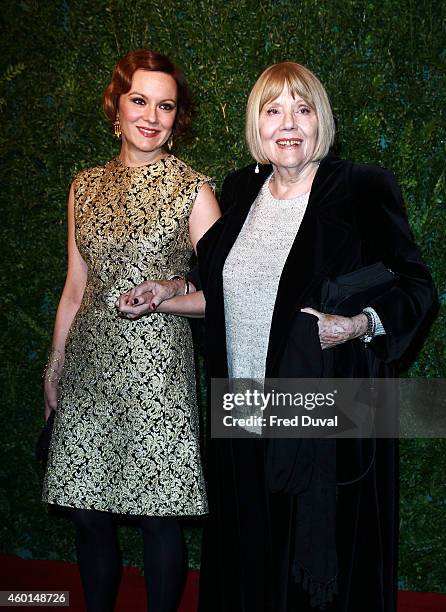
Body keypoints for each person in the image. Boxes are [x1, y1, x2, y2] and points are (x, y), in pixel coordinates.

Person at [118, 61, 437, 611]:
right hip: (242, 411)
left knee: (312, 569)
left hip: (323, 417)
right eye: (273, 110)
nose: (288, 124)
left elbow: (416, 288)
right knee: (250, 563)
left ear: (321, 121)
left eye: (303, 109)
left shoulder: (362, 187)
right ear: (257, 125)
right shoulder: (242, 187)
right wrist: (165, 292)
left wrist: (359, 323)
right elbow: (218, 284)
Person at [42, 49, 221, 612]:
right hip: (89, 366)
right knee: (89, 514)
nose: (152, 116)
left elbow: (221, 293)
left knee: (157, 519)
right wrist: (55, 365)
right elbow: (75, 287)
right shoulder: (84, 186)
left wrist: (168, 292)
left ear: (177, 117)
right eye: (139, 100)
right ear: (115, 107)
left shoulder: (192, 189)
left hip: (157, 374)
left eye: (165, 105)